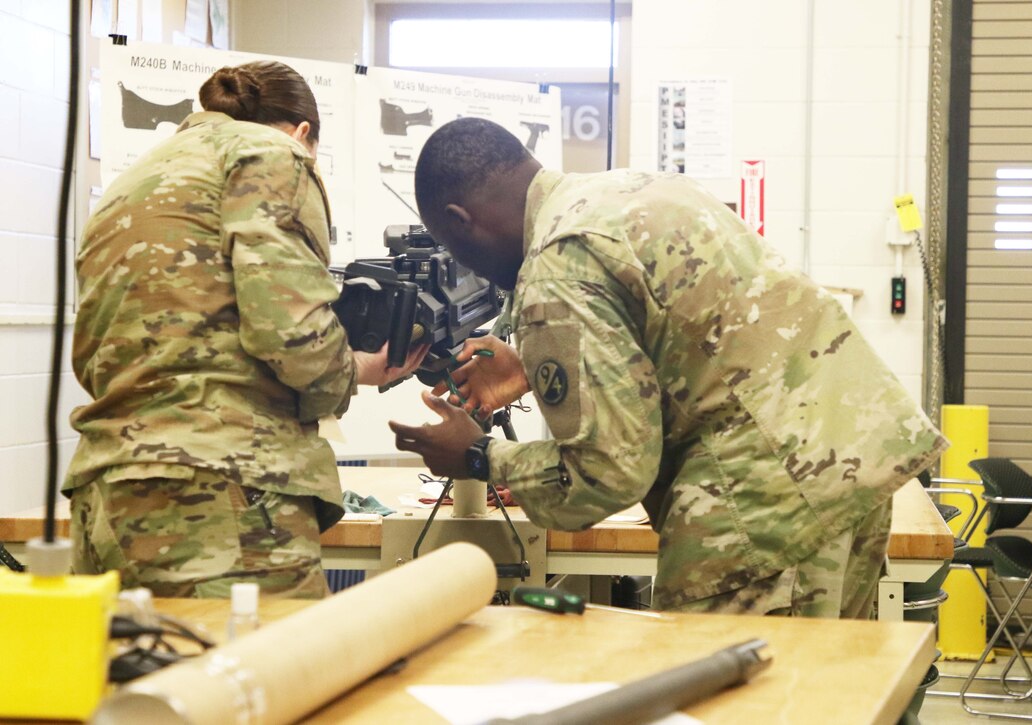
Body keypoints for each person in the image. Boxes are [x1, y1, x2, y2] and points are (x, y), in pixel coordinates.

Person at [389, 117, 949, 618]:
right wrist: (534, 367)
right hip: (851, 460)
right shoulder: (629, 188)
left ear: (461, 221)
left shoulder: (556, 266)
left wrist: (479, 455)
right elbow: (688, 348)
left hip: (763, 509)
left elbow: (607, 475)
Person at [66, 61, 426, 599]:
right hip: (219, 496)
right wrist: (356, 371)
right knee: (268, 679)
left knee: (142, 678)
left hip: (107, 492)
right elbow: (290, 335)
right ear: (304, 134)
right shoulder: (273, 156)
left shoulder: (134, 180)